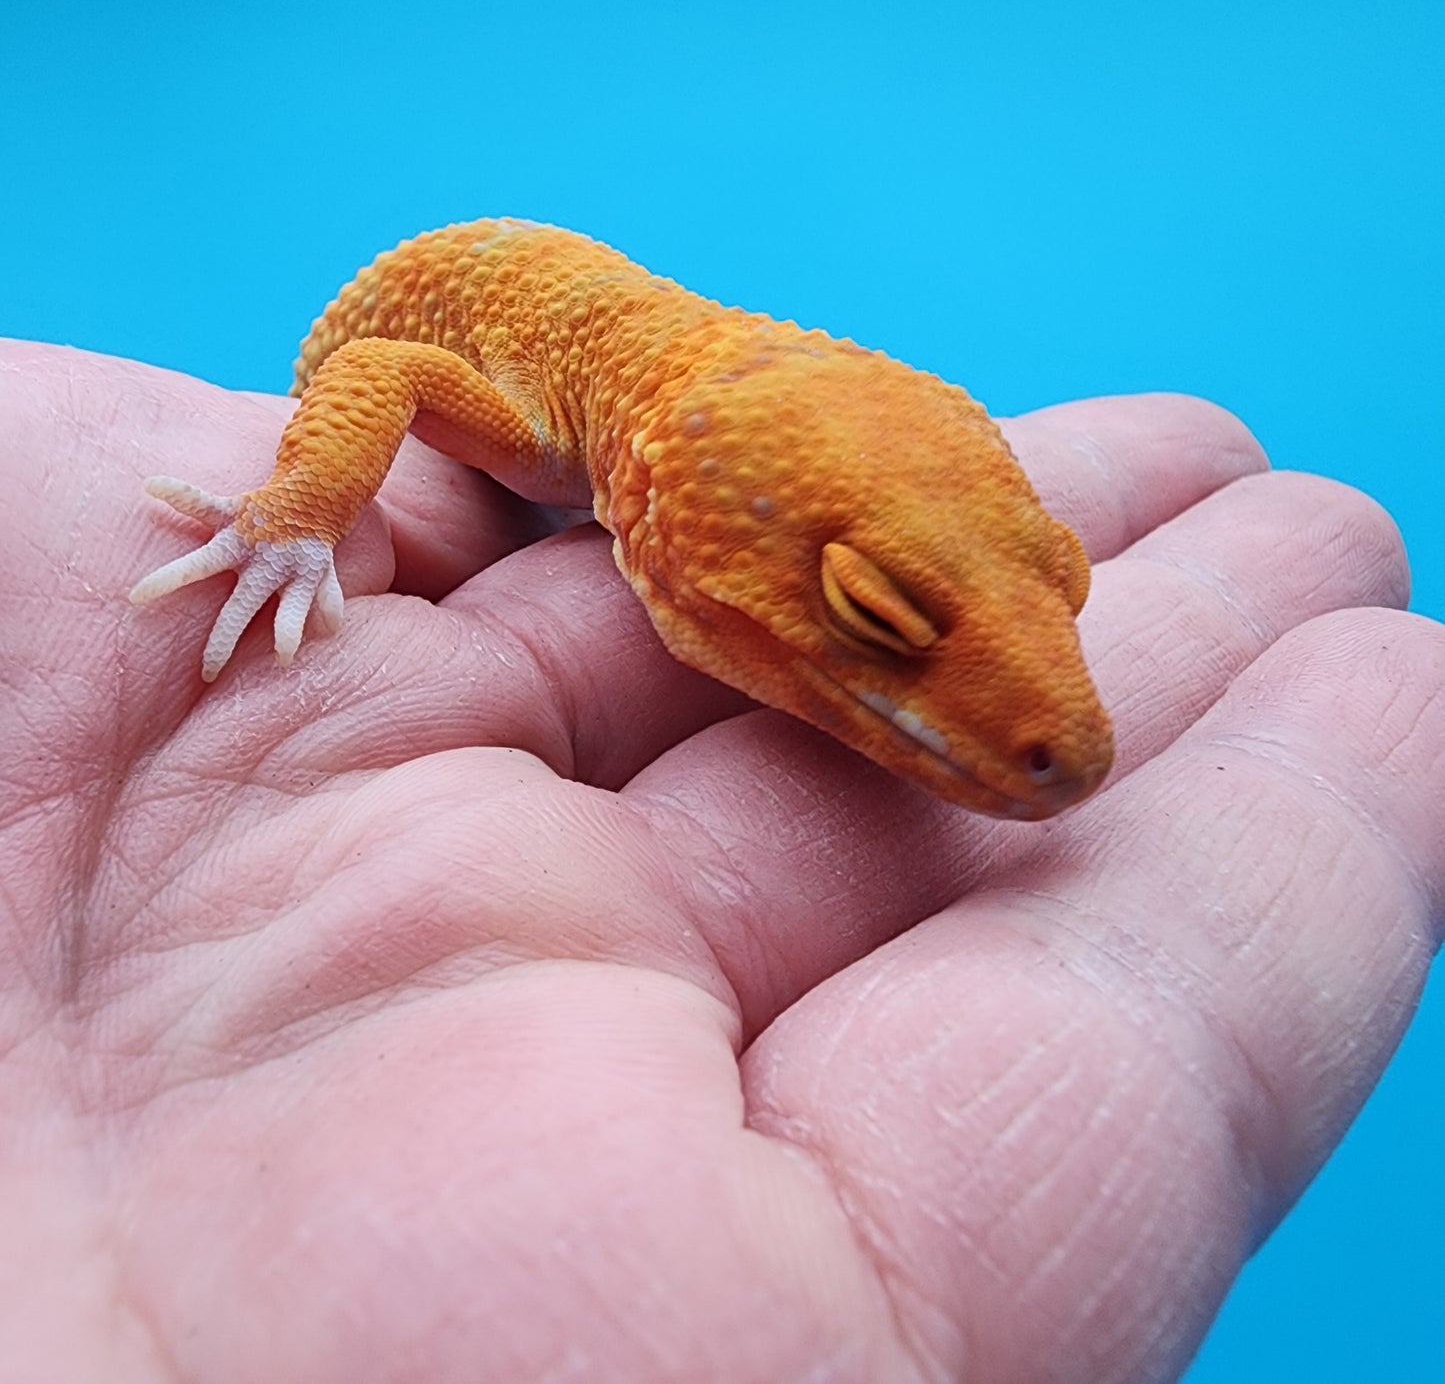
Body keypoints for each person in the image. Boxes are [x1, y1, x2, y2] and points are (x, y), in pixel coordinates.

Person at [2, 337, 1440, 1382]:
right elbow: (377, 359)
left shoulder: (711, 435)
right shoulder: (551, 419)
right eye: (877, 610)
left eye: (1050, 587)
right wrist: (301, 510)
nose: (1066, 732)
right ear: (650, 484)